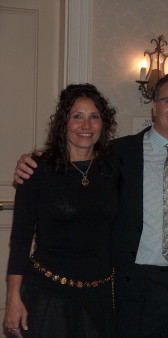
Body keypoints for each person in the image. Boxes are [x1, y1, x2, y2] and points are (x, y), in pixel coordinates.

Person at [13, 72, 168, 337]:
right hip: (138, 287)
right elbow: (76, 160)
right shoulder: (118, 155)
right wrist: (35, 161)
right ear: (154, 105)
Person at [4, 84, 119, 337]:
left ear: (104, 123)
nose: (86, 125)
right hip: (48, 294)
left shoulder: (114, 167)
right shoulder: (36, 168)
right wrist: (13, 298)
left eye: (94, 117)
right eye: (77, 116)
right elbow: (21, 238)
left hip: (99, 296)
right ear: (63, 123)